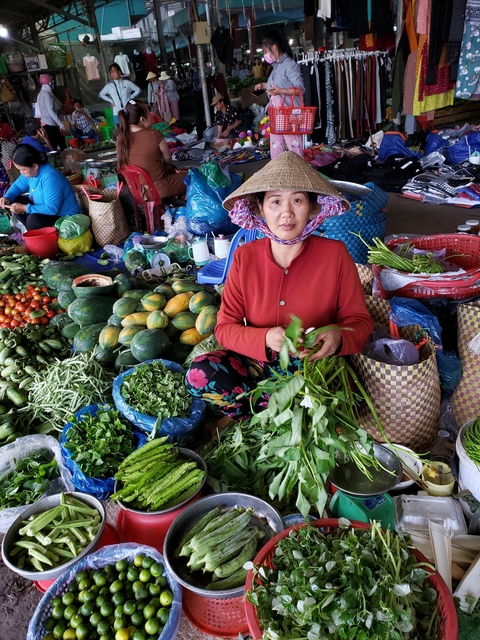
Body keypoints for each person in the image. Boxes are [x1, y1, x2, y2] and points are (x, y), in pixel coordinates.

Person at [185, 151, 374, 419]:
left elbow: (360, 321)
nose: (287, 212)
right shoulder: (244, 257)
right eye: (275, 201)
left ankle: (277, 415)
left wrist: (337, 335)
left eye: (297, 200)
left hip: (313, 365)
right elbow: (225, 329)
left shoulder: (335, 254)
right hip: (256, 362)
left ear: (311, 206)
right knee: (200, 373)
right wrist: (265, 338)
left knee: (329, 401)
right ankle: (268, 416)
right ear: (260, 208)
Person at [116, 100, 187, 199]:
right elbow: (168, 159)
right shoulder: (154, 134)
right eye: (149, 115)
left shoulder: (120, 138)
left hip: (135, 192)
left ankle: (170, 208)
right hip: (158, 190)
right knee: (191, 177)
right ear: (142, 119)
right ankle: (181, 209)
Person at [0, 144, 81, 231]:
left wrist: (24, 208)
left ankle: (34, 234)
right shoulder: (30, 173)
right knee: (13, 200)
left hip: (65, 218)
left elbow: (51, 209)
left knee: (33, 220)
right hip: (46, 211)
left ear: (35, 166)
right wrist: (7, 197)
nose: (21, 173)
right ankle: (32, 231)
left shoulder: (50, 178)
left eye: (23, 170)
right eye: (19, 170)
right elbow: (17, 186)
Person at [254, 29, 305, 159]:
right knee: (276, 152)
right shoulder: (276, 67)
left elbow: (300, 89)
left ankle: (299, 178)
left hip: (290, 116)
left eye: (266, 51)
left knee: (295, 151)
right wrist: (263, 86)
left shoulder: (290, 65)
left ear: (274, 48)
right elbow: (277, 86)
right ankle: (279, 178)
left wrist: (281, 91)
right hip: (276, 116)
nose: (265, 55)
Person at [35, 74, 67, 151]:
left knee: (61, 143)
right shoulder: (47, 94)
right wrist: (61, 125)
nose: (53, 84)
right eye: (52, 82)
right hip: (49, 124)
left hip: (48, 123)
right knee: (55, 146)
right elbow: (51, 111)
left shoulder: (42, 93)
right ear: (49, 83)